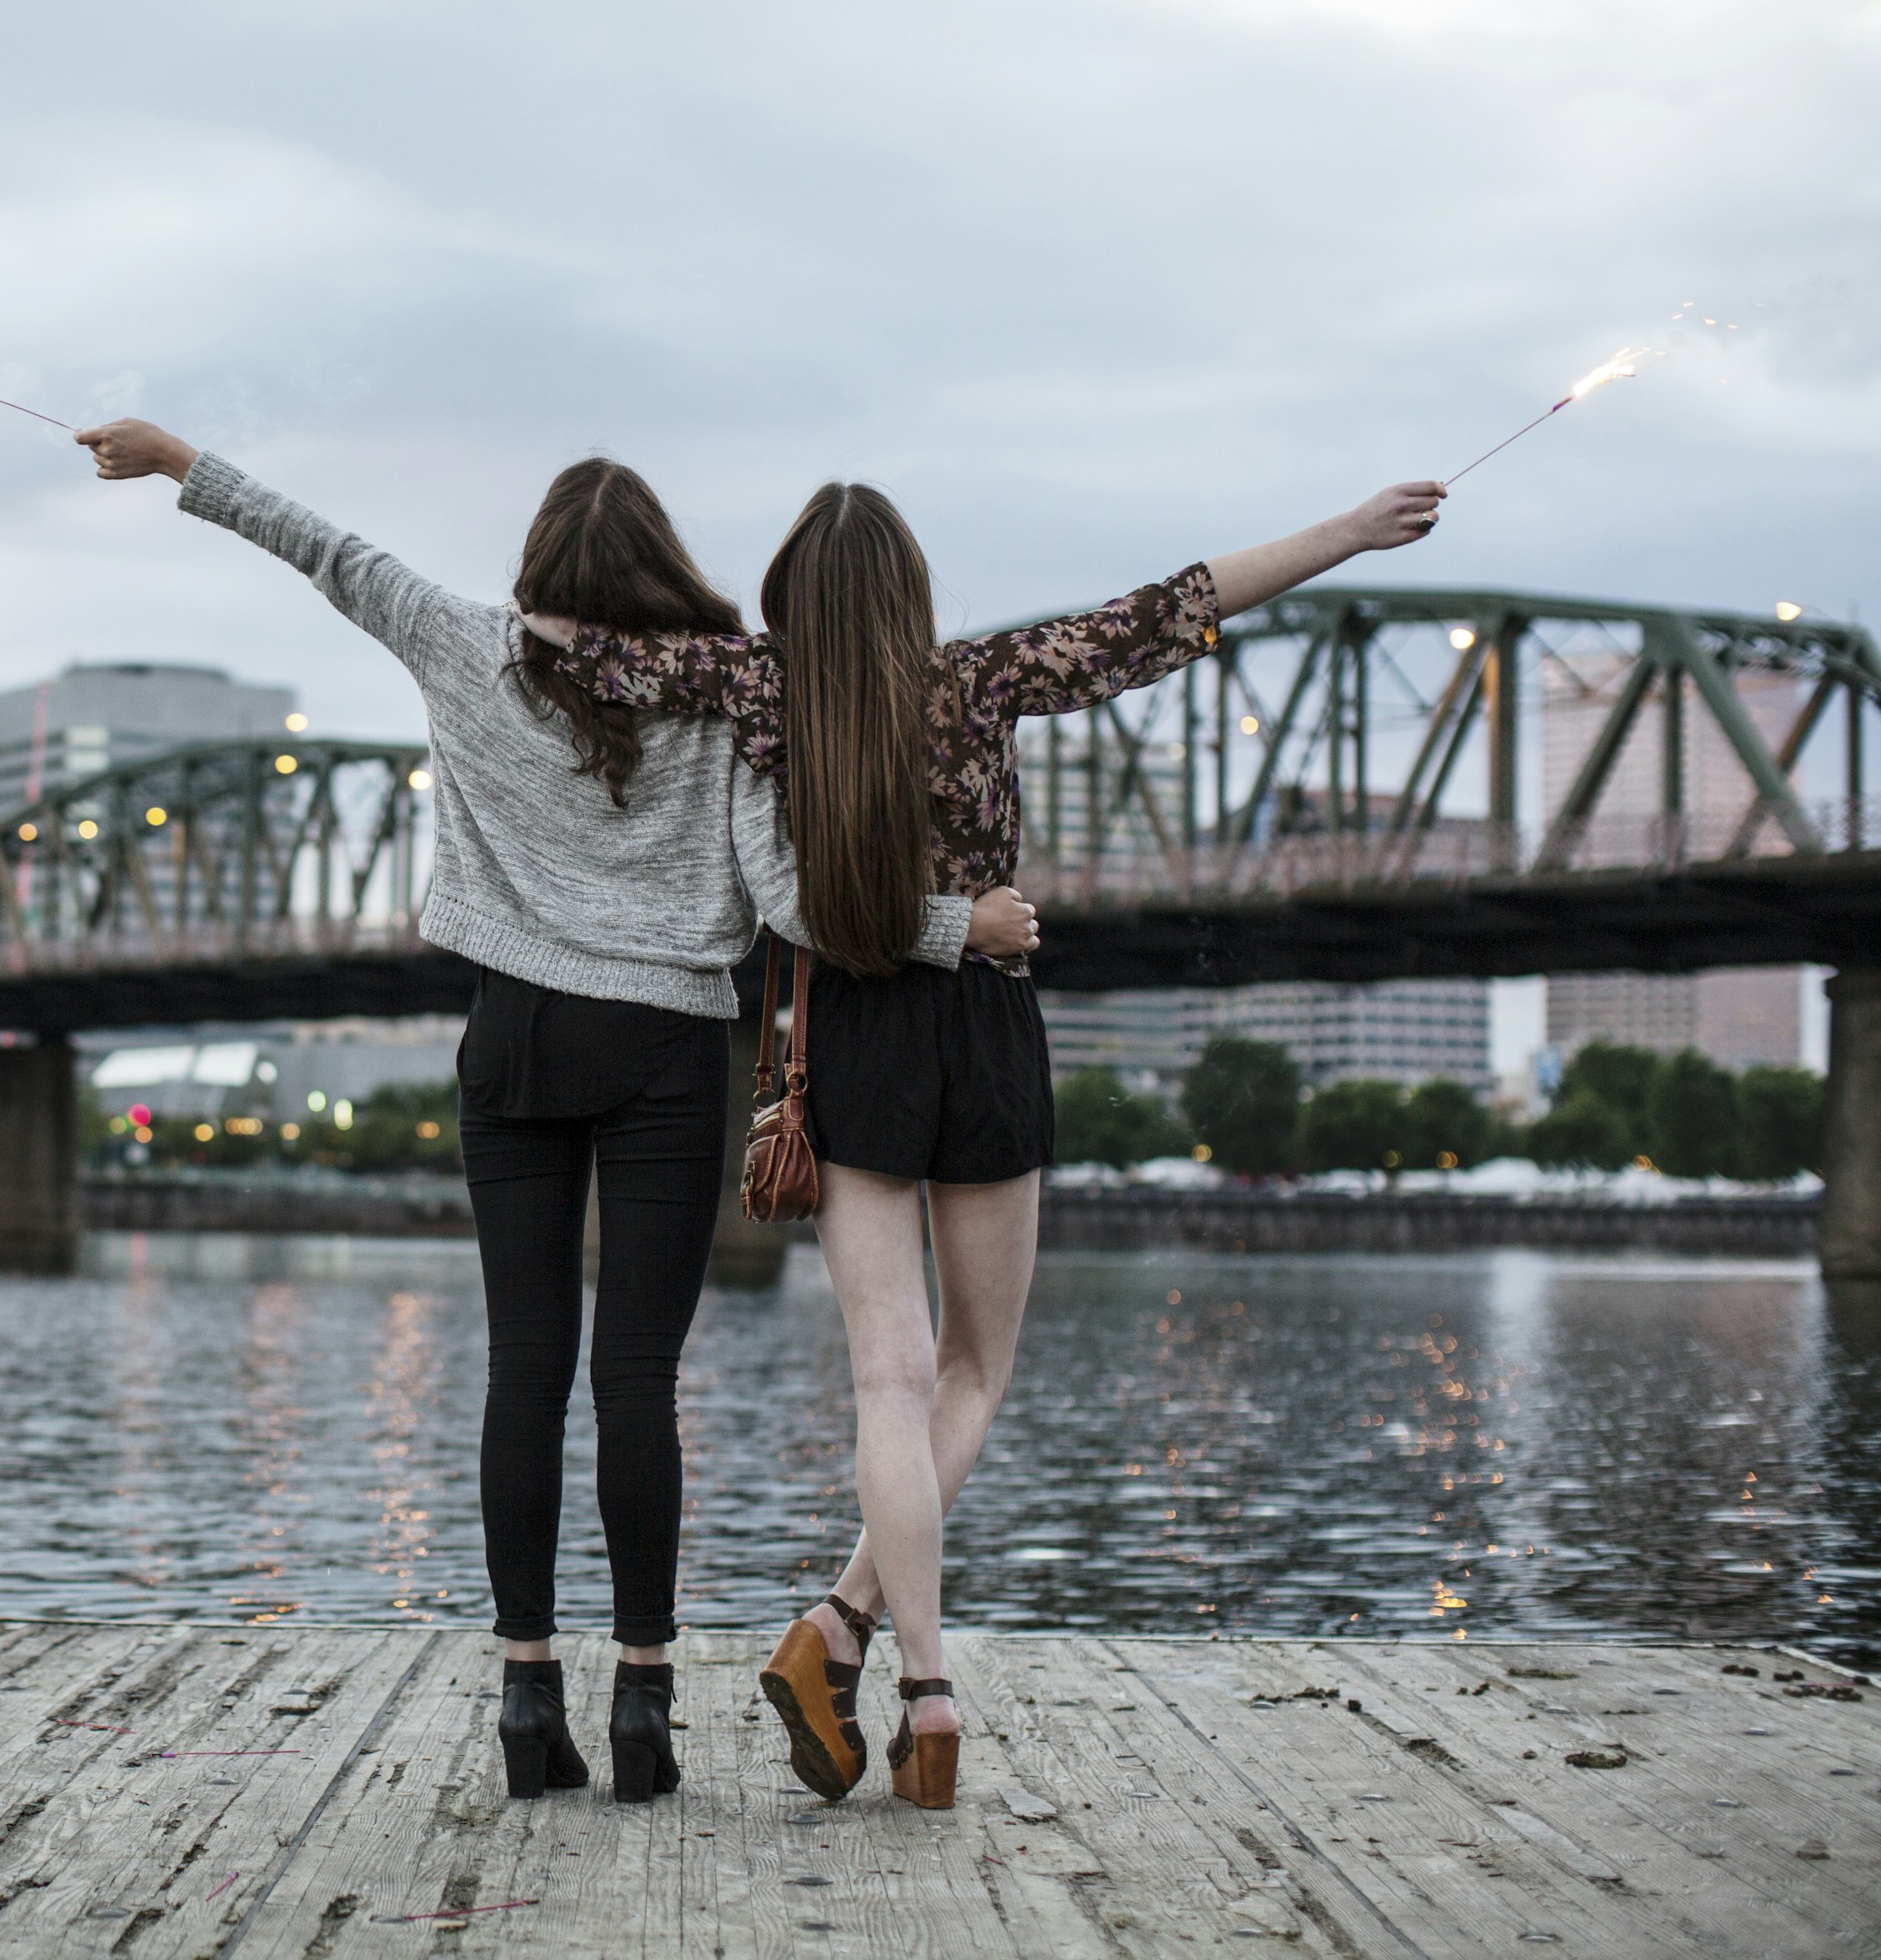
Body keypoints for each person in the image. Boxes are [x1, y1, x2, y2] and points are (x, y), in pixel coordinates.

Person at [74, 417, 1033, 1805]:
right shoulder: (718, 697)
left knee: (525, 1366)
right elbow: (789, 907)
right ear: (664, 574)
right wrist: (957, 928)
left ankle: (529, 1695)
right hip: (664, 1049)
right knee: (638, 1379)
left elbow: (319, 546)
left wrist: (179, 463)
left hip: (512, 1037)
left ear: (534, 565)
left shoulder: (464, 644)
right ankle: (645, 1699)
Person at [529, 472, 1448, 1810]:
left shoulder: (757, 690)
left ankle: (898, 1664)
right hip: (987, 1029)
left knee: (887, 1383)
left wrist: (510, 618)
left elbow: (575, 648)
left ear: (793, 599)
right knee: (972, 1372)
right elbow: (1170, 612)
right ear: (910, 594)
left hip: (853, 1038)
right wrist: (1349, 534)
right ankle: (878, 1660)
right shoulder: (982, 676)